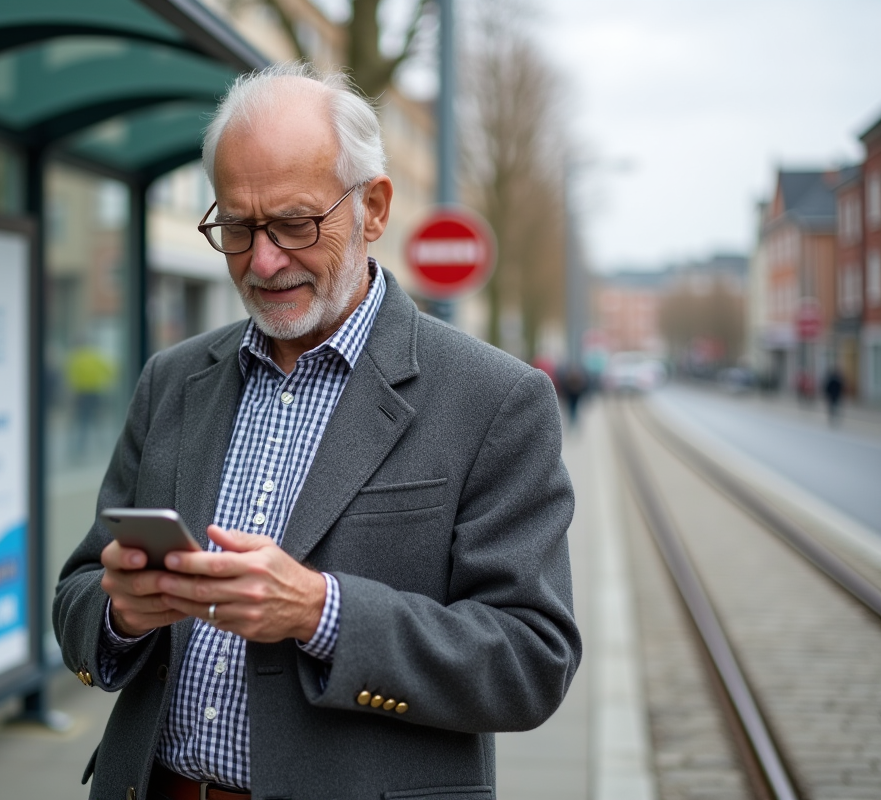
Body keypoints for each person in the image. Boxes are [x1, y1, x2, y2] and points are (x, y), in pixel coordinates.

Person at [54, 63, 580, 800]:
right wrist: (119, 616)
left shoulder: (496, 399)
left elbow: (532, 659)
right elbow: (78, 589)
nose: (263, 261)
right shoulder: (171, 381)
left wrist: (320, 613)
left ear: (373, 208)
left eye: (296, 223)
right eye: (236, 227)